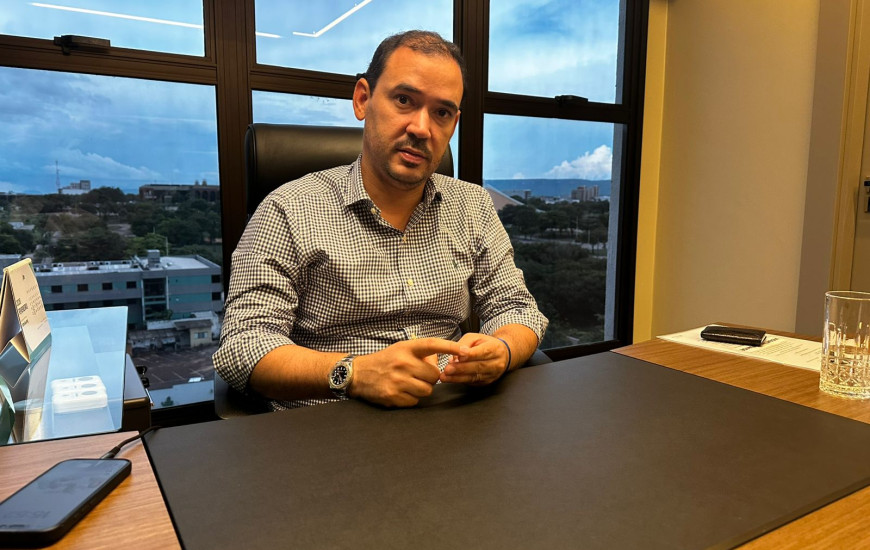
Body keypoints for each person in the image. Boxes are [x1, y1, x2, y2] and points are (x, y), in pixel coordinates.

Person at [213, 30, 547, 410]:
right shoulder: (288, 209)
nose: (421, 128)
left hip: (453, 411)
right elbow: (243, 345)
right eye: (404, 100)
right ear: (363, 99)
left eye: (441, 112)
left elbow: (517, 308)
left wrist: (502, 349)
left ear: (453, 124)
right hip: (333, 423)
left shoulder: (473, 205)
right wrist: (354, 373)